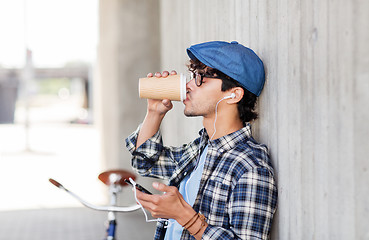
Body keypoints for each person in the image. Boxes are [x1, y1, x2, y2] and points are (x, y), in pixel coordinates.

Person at [125, 41, 278, 240]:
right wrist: (154, 112)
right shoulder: (201, 148)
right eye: (191, 76)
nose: (188, 86)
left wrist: (184, 216)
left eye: (200, 79)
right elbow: (146, 162)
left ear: (234, 94)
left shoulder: (250, 166)